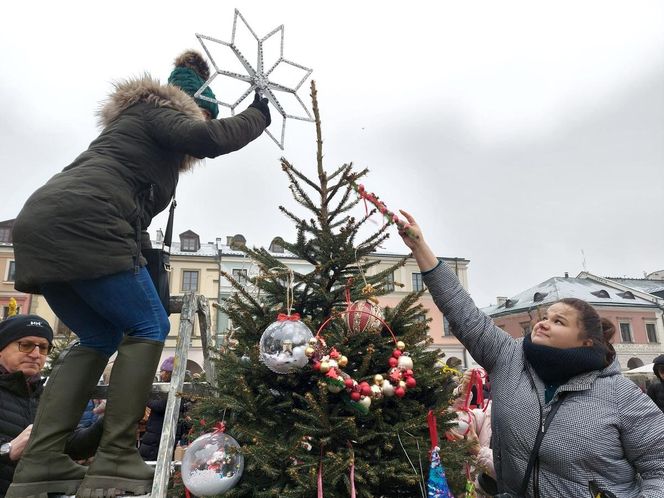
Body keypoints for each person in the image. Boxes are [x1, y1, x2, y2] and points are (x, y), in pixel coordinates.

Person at [6, 50, 270, 498]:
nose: (195, 134)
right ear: (190, 107)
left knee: (97, 338)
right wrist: (258, 114)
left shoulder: (128, 136)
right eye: (201, 117)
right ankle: (114, 457)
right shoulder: (158, 109)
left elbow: (132, 220)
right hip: (86, 221)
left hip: (44, 224)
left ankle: (43, 460)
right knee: (150, 326)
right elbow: (210, 139)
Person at [398, 211, 664, 497]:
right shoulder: (509, 358)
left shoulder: (621, 395)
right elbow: (463, 313)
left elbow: (658, 466)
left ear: (587, 341)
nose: (543, 323)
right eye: (545, 316)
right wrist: (420, 248)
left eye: (558, 321)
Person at [0, 315, 103, 496]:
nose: (35, 354)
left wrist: (109, 419)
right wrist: (7, 450)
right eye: (25, 345)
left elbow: (73, 445)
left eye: (44, 347)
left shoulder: (46, 396)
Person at [138, 356, 190, 462]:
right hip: (157, 431)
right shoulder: (167, 387)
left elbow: (162, 406)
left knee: (152, 460)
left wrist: (146, 398)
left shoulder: (174, 388)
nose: (161, 374)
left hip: (159, 432)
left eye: (163, 371)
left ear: (169, 372)